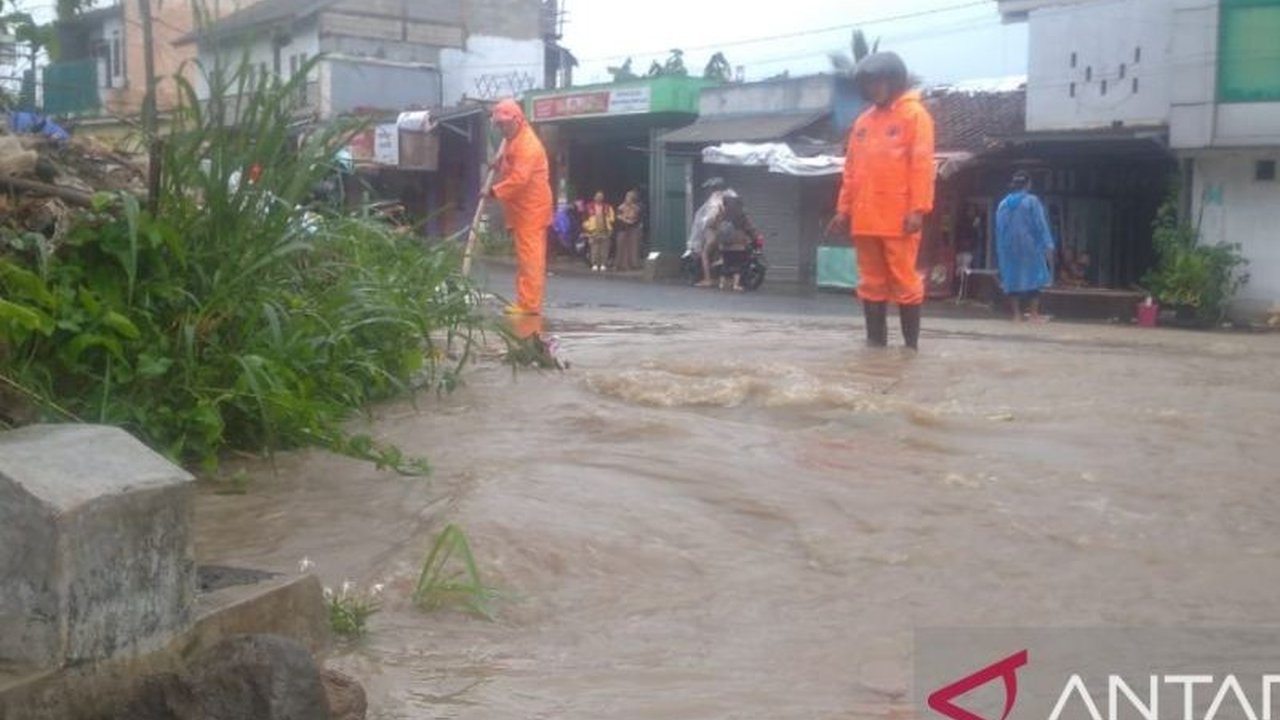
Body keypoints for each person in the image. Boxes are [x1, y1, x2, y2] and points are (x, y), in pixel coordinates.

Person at [827, 52, 936, 350]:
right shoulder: (862, 122)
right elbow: (851, 170)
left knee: (904, 282)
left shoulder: (914, 116)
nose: (874, 88)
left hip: (899, 218)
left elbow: (922, 165)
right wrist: (843, 209)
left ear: (894, 80)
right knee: (870, 284)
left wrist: (917, 209)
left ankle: (910, 348)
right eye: (869, 83)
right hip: (864, 219)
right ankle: (875, 347)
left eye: (879, 81)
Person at [488, 98, 553, 316]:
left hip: (532, 210)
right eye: (498, 125)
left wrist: (493, 191)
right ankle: (525, 301)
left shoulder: (528, 145)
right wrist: (499, 162)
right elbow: (509, 158)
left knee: (530, 259)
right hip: (521, 209)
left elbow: (519, 179)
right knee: (525, 257)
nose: (501, 128)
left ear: (517, 120)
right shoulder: (513, 138)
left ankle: (530, 305)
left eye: (504, 124)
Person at [996, 171, 1056, 322]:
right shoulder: (1031, 201)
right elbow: (1040, 224)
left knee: (1012, 278)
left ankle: (1016, 315)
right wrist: (1048, 244)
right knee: (1034, 278)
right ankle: (1034, 314)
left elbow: (999, 228)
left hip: (1009, 247)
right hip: (1030, 246)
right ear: (1028, 184)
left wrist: (1001, 248)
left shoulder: (1003, 204)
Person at [687, 177, 737, 286]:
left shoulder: (716, 198)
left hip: (715, 232)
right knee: (722, 253)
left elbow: (710, 216)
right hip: (730, 232)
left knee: (704, 253)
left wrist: (706, 223)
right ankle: (725, 276)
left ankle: (707, 279)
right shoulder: (731, 196)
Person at [705, 194, 760, 291]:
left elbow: (711, 224)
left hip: (724, 245)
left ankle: (722, 284)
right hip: (738, 246)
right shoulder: (741, 214)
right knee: (737, 265)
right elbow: (750, 228)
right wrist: (756, 236)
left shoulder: (722, 214)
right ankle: (735, 285)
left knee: (726, 264)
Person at [582, 190, 615, 272]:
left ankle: (603, 263)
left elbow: (612, 218)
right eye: (597, 196)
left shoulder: (608, 207)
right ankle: (594, 264)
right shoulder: (588, 206)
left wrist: (609, 223)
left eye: (601, 196)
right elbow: (584, 218)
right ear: (594, 197)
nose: (599, 198)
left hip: (605, 230)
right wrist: (588, 227)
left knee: (605, 248)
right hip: (593, 230)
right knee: (594, 248)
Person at [614, 190, 645, 271]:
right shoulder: (621, 207)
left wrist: (631, 220)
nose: (628, 199)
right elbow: (618, 218)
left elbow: (637, 218)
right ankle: (621, 264)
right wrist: (625, 220)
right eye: (627, 197)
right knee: (622, 247)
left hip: (633, 229)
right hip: (622, 229)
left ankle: (633, 264)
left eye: (630, 197)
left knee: (633, 247)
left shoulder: (636, 208)